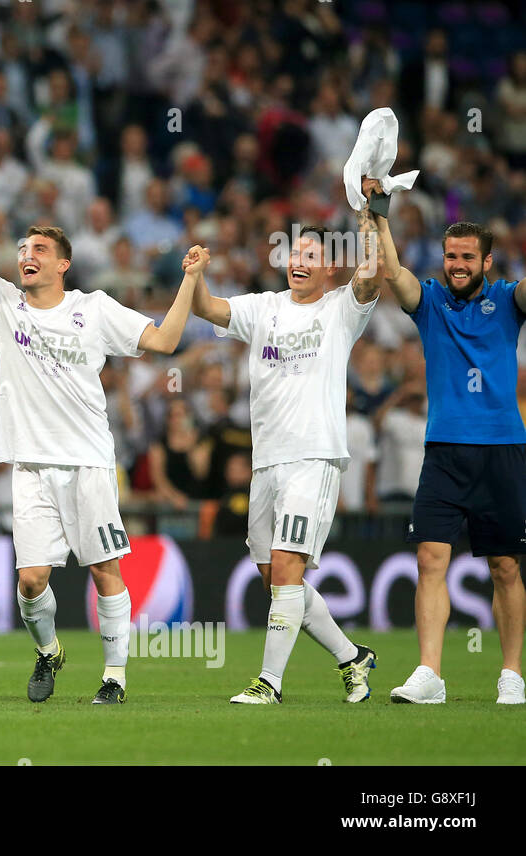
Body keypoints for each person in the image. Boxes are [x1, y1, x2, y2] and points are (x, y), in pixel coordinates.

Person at [0, 139, 200, 705]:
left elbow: (166, 340)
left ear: (62, 263)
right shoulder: (5, 305)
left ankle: (115, 678)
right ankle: (49, 651)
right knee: (31, 582)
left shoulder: (95, 308)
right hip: (30, 467)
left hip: (88, 464)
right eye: (22, 247)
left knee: (106, 570)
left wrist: (190, 282)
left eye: (38, 248)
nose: (25, 254)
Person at [190, 216, 381, 704]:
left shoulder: (341, 310)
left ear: (331, 269)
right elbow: (208, 308)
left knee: (287, 565)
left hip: (313, 456)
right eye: (294, 254)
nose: (298, 262)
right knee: (275, 577)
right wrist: (195, 276)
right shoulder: (263, 308)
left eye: (311, 256)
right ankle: (352, 658)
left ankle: (269, 684)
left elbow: (373, 274)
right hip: (267, 461)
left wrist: (372, 217)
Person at [368, 192, 526, 705]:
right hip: (443, 453)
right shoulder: (431, 303)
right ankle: (430, 674)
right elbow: (392, 272)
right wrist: (379, 216)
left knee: (504, 566)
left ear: (487, 261)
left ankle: (510, 674)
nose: (457, 265)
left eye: (467, 258)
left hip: (502, 449)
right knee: (430, 558)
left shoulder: (506, 301)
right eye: (450, 256)